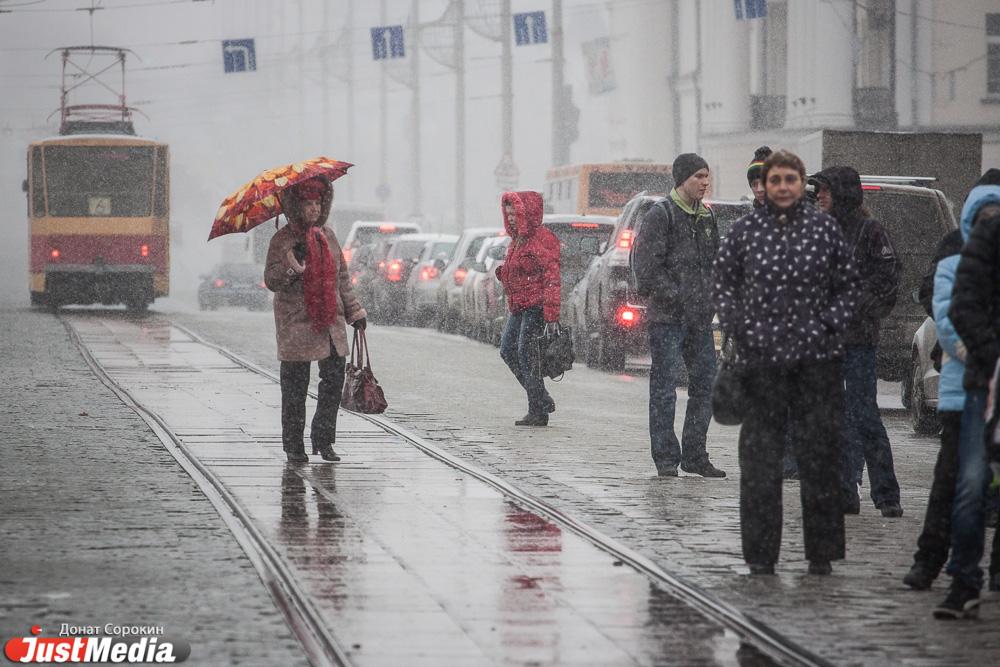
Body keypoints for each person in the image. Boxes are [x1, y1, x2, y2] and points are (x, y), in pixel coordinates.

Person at [714, 149, 860, 575]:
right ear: (764, 184)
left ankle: (822, 553)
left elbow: (849, 288)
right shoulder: (744, 233)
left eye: (789, 180)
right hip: (762, 364)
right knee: (760, 462)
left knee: (819, 459)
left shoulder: (824, 231)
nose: (781, 187)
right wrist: (743, 328)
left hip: (817, 364)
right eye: (774, 180)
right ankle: (760, 554)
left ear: (801, 185)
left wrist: (825, 326)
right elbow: (724, 286)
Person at [903, 178, 987, 590]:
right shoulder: (955, 252)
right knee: (953, 480)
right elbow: (943, 308)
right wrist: (980, 353)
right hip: (963, 385)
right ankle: (932, 559)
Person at [811, 167, 903, 517]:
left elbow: (887, 279)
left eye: (824, 191)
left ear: (843, 195)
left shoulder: (870, 231)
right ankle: (844, 488)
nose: (819, 196)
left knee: (864, 415)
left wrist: (852, 306)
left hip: (858, 341)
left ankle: (886, 493)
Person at [632, 153, 725, 478]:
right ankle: (666, 458)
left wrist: (713, 298)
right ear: (682, 179)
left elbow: (715, 264)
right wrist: (679, 295)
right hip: (668, 319)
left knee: (706, 385)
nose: (704, 182)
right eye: (699, 176)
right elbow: (647, 269)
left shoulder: (706, 217)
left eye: (706, 176)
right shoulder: (661, 215)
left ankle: (694, 454)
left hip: (699, 319)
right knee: (664, 387)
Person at [264, 177, 367, 463]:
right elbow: (271, 280)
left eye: (318, 203)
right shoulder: (282, 240)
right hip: (296, 322)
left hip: (329, 323)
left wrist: (355, 311)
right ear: (296, 207)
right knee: (295, 387)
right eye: (308, 203)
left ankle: (323, 440)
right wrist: (292, 267)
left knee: (333, 380)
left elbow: (342, 277)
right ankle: (294, 445)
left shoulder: (328, 236)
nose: (313, 209)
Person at [935, 169, 1000, 618]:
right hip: (984, 382)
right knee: (971, 484)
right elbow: (960, 308)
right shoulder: (985, 239)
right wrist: (993, 355)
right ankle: (964, 578)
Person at [496, 190, 560, 427]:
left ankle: (537, 408)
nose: (511, 218)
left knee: (526, 354)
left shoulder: (542, 239)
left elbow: (552, 278)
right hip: (519, 306)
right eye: (508, 213)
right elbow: (520, 271)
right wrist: (503, 274)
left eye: (516, 214)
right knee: (507, 350)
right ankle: (541, 399)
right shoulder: (517, 240)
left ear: (527, 213)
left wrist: (551, 314)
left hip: (535, 306)